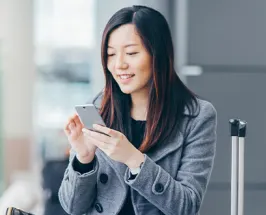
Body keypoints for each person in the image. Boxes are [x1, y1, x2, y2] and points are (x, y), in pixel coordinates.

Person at [58, 5, 217, 215]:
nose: (119, 65)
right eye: (111, 54)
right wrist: (84, 158)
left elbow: (187, 207)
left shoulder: (196, 116)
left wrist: (134, 160)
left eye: (131, 53)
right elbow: (72, 207)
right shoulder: (98, 108)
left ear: (158, 54)